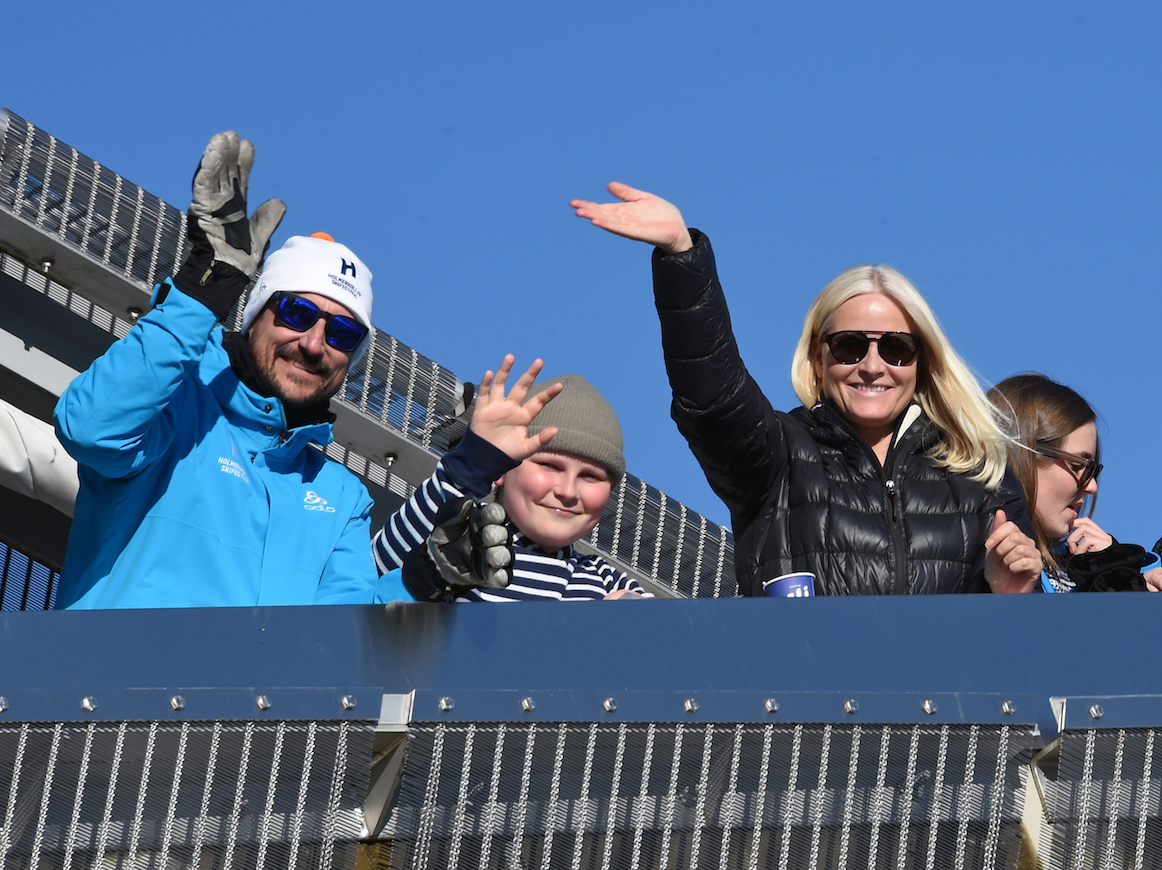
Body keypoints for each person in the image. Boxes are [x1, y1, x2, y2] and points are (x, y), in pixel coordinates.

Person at [570, 182, 1040, 597]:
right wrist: (682, 258)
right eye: (849, 346)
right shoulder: (779, 457)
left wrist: (1014, 593)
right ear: (817, 356)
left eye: (896, 349)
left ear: (923, 362)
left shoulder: (980, 470)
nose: (872, 366)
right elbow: (715, 400)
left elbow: (1024, 648)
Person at [54, 132, 399, 609]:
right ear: (255, 316)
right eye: (297, 313)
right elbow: (91, 430)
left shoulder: (341, 497)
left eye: (342, 334)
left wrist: (424, 581)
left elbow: (342, 640)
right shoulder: (174, 406)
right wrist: (202, 292)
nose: (314, 344)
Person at [373, 356, 648, 601]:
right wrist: (472, 465)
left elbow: (666, 632)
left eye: (590, 476)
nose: (568, 491)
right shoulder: (462, 541)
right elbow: (381, 564)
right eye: (549, 466)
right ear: (504, 468)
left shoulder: (606, 581)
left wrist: (629, 617)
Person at [988, 373, 1162, 592]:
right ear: (1021, 456)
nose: (1092, 487)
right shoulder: (974, 564)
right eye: (1078, 466)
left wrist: (1118, 576)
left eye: (1092, 471)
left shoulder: (1088, 565)